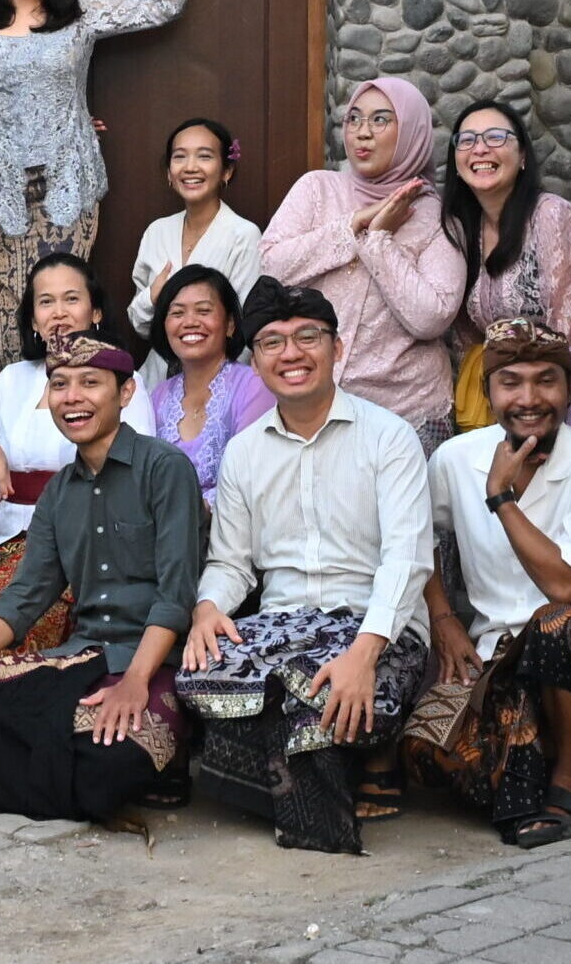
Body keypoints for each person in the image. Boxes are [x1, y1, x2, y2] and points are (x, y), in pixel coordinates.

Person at [179, 278, 433, 854]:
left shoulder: (389, 438)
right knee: (197, 676)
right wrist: (207, 608)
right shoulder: (244, 451)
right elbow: (231, 562)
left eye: (307, 338)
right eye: (272, 342)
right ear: (255, 360)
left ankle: (292, 787)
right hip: (283, 628)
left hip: (375, 627)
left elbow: (407, 557)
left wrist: (363, 655)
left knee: (317, 691)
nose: (290, 354)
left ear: (337, 348)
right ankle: (334, 756)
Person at [0, 333, 206, 821]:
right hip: (84, 656)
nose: (72, 398)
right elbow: (26, 594)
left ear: (125, 393)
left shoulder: (165, 469)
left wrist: (136, 681)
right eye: (60, 385)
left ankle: (138, 761)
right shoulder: (58, 494)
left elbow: (176, 595)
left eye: (90, 383)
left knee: (109, 764)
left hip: (157, 663)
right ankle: (61, 771)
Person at [407, 319, 571, 848]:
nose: (529, 399)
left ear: (569, 387)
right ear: (488, 392)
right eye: (511, 382)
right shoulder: (456, 458)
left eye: (546, 380)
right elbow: (416, 537)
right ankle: (529, 756)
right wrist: (443, 617)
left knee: (556, 623)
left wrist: (502, 498)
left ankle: (569, 785)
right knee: (426, 755)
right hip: (500, 658)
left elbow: (565, 589)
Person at [0, 0, 208, 364]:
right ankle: (17, 410)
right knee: (11, 314)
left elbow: (163, 5)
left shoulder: (82, 9)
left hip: (68, 181)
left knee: (66, 309)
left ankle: (73, 406)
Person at [0, 254, 153, 656]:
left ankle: (21, 687)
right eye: (46, 302)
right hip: (7, 534)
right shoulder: (11, 380)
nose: (58, 313)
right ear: (32, 319)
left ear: (95, 312)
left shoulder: (121, 379)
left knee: (28, 616)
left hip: (84, 542)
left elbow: (137, 470)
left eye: (71, 299)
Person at [259, 78, 466, 454]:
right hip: (314, 404)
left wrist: (379, 240)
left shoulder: (437, 218)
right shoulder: (317, 188)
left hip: (409, 411)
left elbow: (431, 318)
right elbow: (271, 266)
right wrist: (355, 224)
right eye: (354, 119)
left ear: (412, 132)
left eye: (380, 119)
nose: (362, 132)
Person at [442, 100, 571, 432]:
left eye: (495, 137)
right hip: (492, 404)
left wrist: (544, 401)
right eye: (467, 140)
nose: (480, 149)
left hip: (548, 403)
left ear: (523, 155)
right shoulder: (464, 227)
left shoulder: (551, 215)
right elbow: (467, 337)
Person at [126, 117, 264, 390]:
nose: (190, 167)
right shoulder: (157, 231)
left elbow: (246, 328)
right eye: (180, 156)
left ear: (226, 171)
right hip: (155, 382)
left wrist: (219, 391)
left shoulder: (243, 236)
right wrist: (154, 296)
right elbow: (140, 324)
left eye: (204, 156)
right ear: (169, 173)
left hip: (219, 386)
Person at [143, 265, 273, 505]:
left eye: (203, 311)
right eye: (177, 313)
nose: (190, 322)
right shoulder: (158, 395)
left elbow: (249, 477)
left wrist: (191, 511)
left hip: (233, 523)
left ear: (230, 324)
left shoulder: (255, 386)